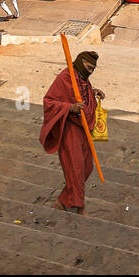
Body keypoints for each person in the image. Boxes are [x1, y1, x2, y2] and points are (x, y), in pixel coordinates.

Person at [39, 51, 103, 214]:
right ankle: (79, 207)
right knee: (76, 169)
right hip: (69, 129)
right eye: (89, 68)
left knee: (87, 167)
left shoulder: (81, 78)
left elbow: (81, 94)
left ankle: (61, 202)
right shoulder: (65, 77)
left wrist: (93, 92)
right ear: (81, 63)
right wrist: (70, 107)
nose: (90, 72)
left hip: (84, 130)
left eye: (93, 70)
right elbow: (49, 101)